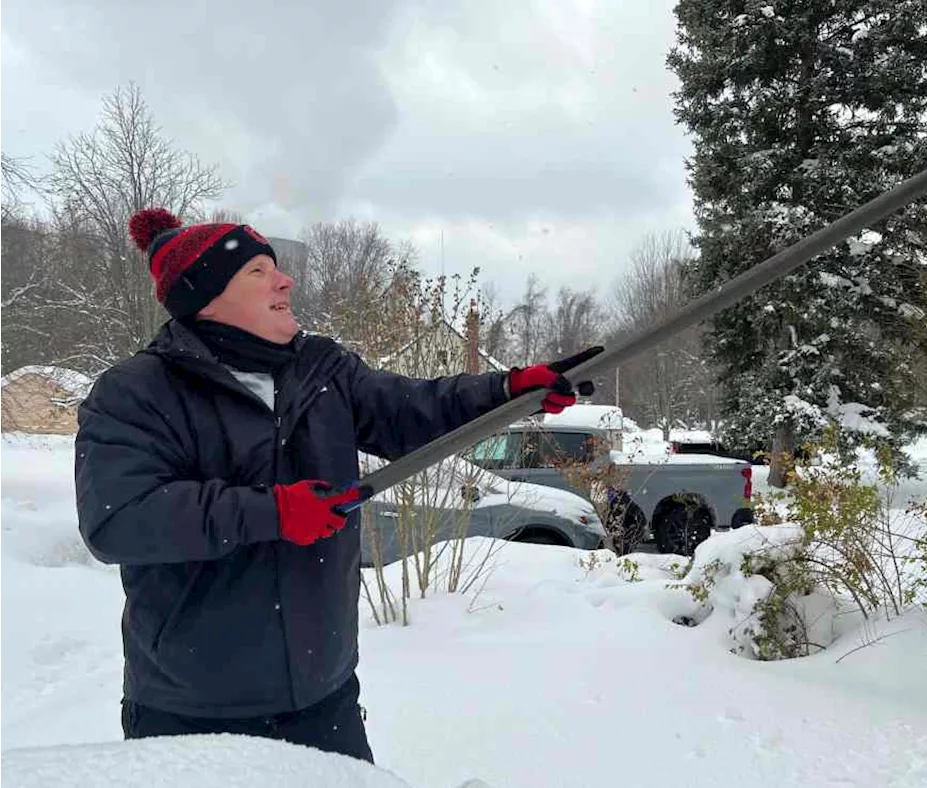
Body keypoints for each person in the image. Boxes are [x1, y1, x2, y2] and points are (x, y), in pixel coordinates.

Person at [74, 207, 596, 763]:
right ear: (207, 294)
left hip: (324, 701)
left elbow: (411, 411)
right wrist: (273, 512)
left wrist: (508, 391)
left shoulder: (321, 371)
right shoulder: (138, 391)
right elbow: (120, 518)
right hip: (191, 710)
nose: (285, 280)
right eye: (258, 271)